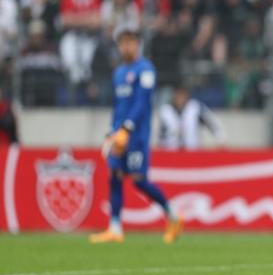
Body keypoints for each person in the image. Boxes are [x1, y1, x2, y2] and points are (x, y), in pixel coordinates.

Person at [90, 27, 183, 244]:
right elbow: (118, 106)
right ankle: (115, 228)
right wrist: (110, 132)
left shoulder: (146, 70)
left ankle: (173, 216)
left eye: (130, 42)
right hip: (119, 134)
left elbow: (142, 103)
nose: (126, 46)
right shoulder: (119, 73)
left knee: (139, 181)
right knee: (114, 175)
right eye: (122, 42)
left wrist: (127, 128)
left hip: (137, 136)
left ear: (138, 43)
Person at [158, 85, 226, 150]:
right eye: (178, 96)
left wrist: (220, 138)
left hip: (192, 150)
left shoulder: (195, 108)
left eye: (182, 96)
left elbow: (211, 122)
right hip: (172, 152)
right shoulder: (166, 111)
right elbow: (162, 133)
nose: (180, 99)